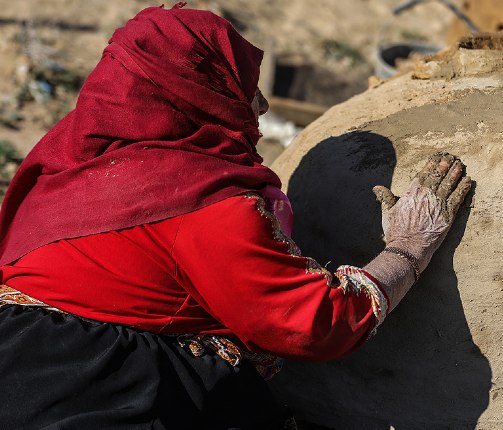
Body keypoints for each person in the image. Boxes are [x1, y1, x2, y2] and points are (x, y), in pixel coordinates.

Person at [0, 4, 471, 429]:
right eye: (238, 87)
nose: (261, 106)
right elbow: (312, 323)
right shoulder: (200, 201)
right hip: (86, 385)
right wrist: (408, 249)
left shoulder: (72, 153)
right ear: (200, 97)